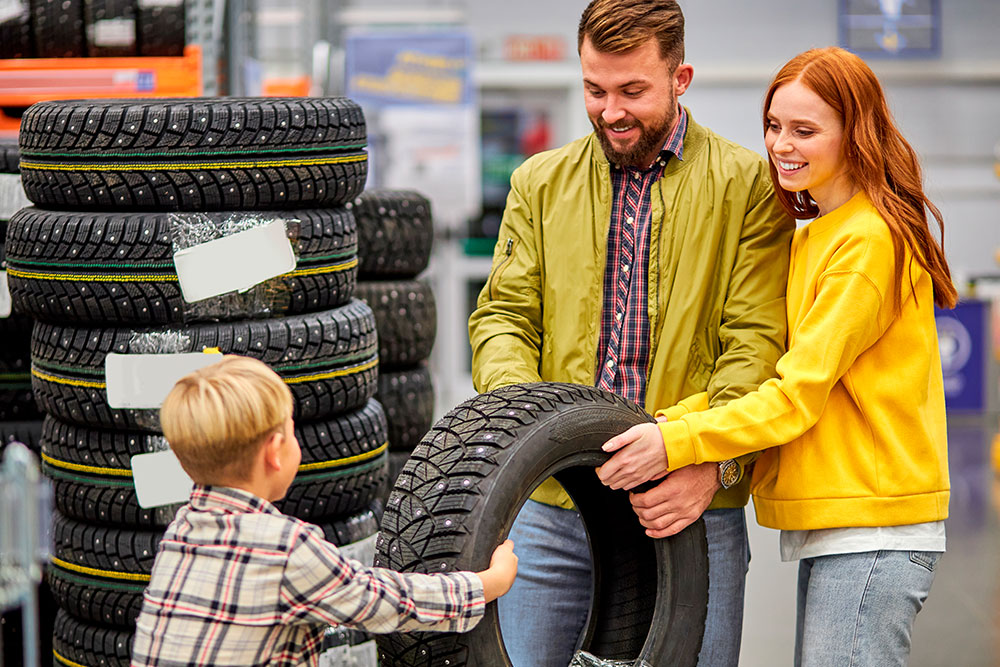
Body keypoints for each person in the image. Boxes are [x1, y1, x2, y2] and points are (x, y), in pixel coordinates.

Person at [599, 45, 955, 667]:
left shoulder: (868, 242)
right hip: (843, 527)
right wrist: (668, 423)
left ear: (855, 132)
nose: (781, 145)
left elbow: (794, 394)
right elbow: (770, 370)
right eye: (773, 126)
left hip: (874, 529)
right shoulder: (816, 233)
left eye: (805, 130)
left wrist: (680, 443)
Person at [467, 0, 794, 663]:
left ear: (681, 78)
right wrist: (536, 440)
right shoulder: (538, 184)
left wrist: (709, 458)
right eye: (595, 89)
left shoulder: (750, 187)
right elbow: (502, 320)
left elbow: (755, 344)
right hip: (553, 505)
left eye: (632, 90)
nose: (610, 110)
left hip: (688, 503)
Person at [130, 355, 518, 667]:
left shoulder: (181, 531)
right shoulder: (284, 549)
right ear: (274, 452)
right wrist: (485, 586)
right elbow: (380, 600)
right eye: (293, 429)